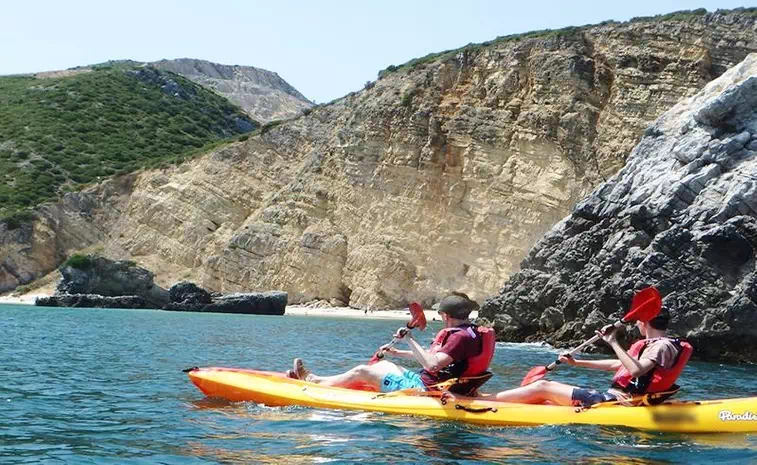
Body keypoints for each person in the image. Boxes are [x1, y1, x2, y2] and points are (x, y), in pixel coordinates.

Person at [460, 309, 692, 407]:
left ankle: (482, 401)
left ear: (644, 321)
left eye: (639, 321)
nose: (637, 324)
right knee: (546, 397)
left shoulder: (660, 347)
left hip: (619, 402)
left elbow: (637, 371)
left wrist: (613, 342)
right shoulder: (652, 344)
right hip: (616, 397)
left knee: (542, 386)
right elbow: (619, 365)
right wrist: (577, 362)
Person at [288, 293, 496, 393]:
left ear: (444, 315)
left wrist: (409, 339)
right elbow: (438, 360)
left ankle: (315, 383)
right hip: (435, 383)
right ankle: (324, 379)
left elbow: (432, 365)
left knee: (363, 370)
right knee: (383, 364)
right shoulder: (470, 332)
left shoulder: (459, 337)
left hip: (427, 389)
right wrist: (398, 352)